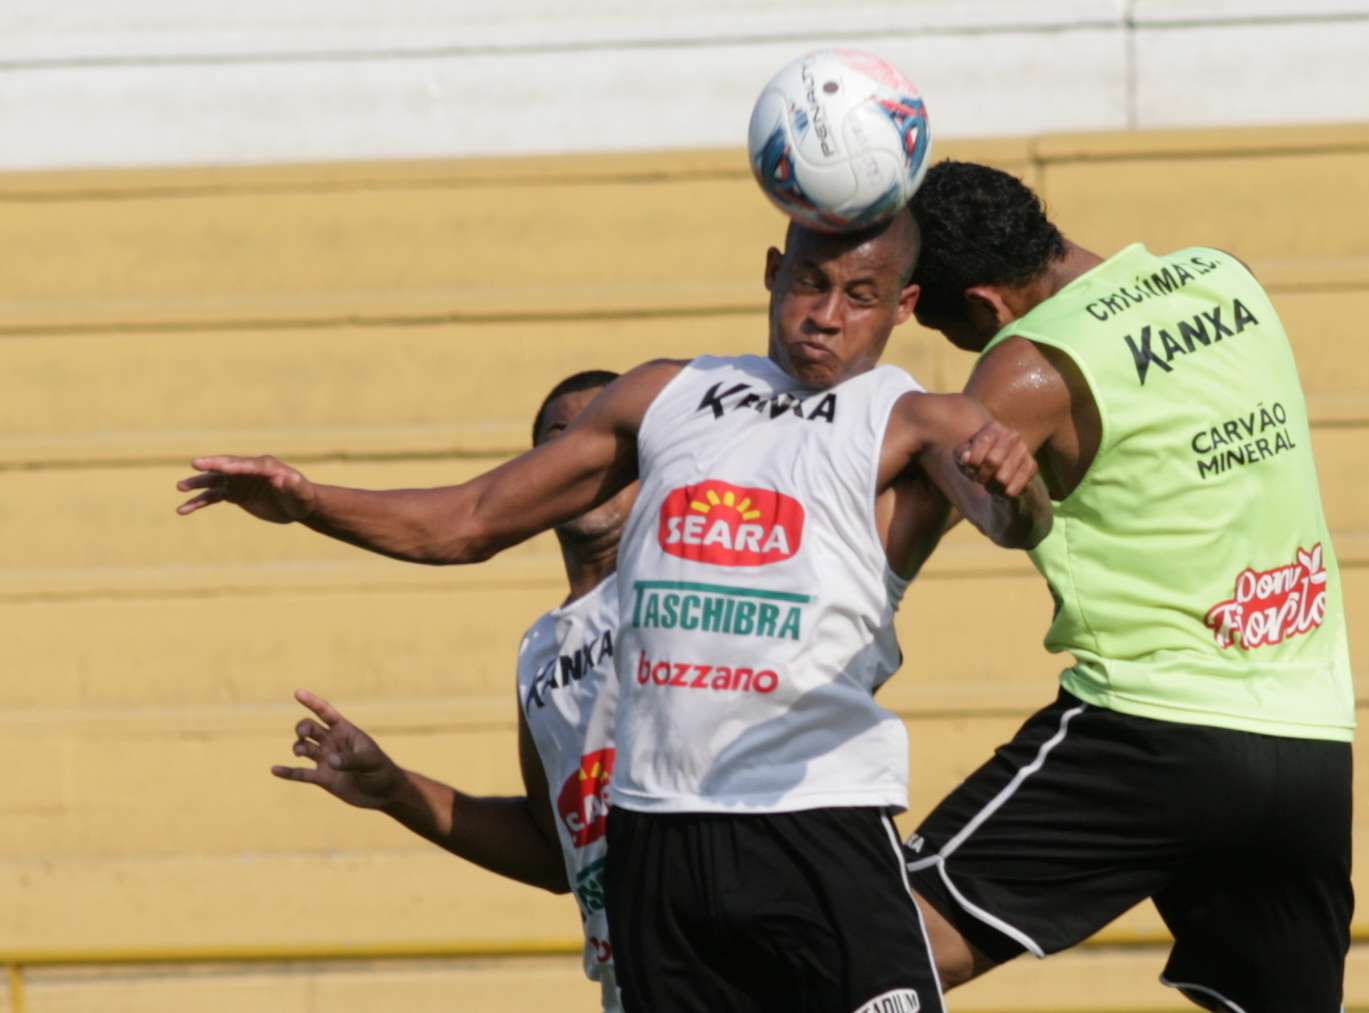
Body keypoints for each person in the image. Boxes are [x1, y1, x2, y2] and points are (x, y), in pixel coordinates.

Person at [176, 210, 1053, 1013]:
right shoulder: (667, 395)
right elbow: (470, 519)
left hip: (815, 817)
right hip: (657, 838)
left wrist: (1016, 491)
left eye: (859, 296)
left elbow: (1009, 521)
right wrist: (310, 501)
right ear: (771, 274)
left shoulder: (914, 416)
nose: (825, 315)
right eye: (808, 285)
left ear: (902, 305)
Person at [900, 160, 1355, 1013]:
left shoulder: (1023, 372)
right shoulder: (1227, 277)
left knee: (884, 937)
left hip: (1155, 729)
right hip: (1311, 739)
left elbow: (910, 531)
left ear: (986, 307)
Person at [268, 370, 636, 1012]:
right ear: (534, 477)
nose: (582, 457)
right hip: (641, 979)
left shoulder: (691, 588)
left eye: (609, 443)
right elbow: (556, 854)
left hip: (755, 953)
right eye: (561, 440)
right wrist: (397, 791)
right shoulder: (540, 650)